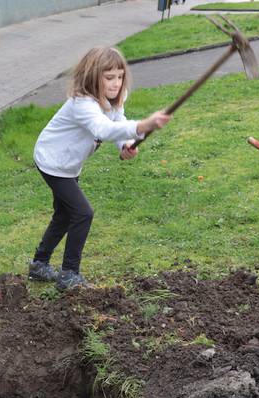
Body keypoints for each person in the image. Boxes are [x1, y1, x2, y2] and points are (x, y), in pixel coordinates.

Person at [28, 46, 171, 290]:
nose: (116, 83)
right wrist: (144, 125)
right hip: (53, 161)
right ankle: (69, 274)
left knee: (64, 214)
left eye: (120, 76)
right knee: (82, 213)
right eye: (109, 78)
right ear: (92, 77)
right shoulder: (81, 103)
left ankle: (39, 265)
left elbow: (116, 123)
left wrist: (125, 144)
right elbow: (102, 129)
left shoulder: (115, 98)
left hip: (69, 164)